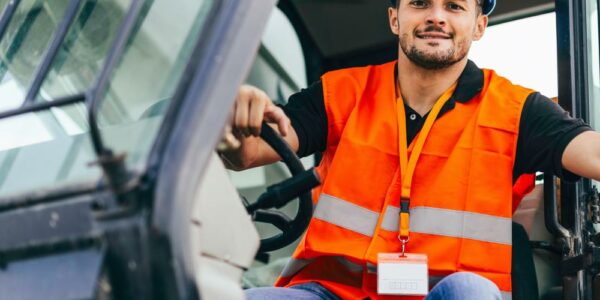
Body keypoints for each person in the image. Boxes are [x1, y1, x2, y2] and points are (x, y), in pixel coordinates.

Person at [219, 0, 600, 298]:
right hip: (329, 292)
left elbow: (592, 152)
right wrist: (234, 115)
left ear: (479, 25)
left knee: (471, 292)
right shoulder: (343, 92)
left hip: (446, 293)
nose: (436, 17)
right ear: (394, 19)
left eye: (454, 6)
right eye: (419, 3)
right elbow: (249, 153)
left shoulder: (517, 111)